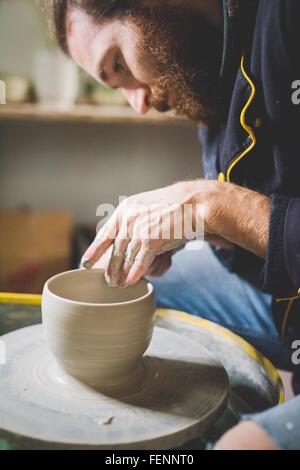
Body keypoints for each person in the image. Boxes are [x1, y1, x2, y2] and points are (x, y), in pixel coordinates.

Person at [46, 0, 300, 449]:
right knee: (121, 289)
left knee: (240, 446)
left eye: (119, 63)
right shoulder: (211, 52)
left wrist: (215, 206)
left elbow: (236, 207)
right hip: (284, 297)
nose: (138, 103)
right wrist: (214, 230)